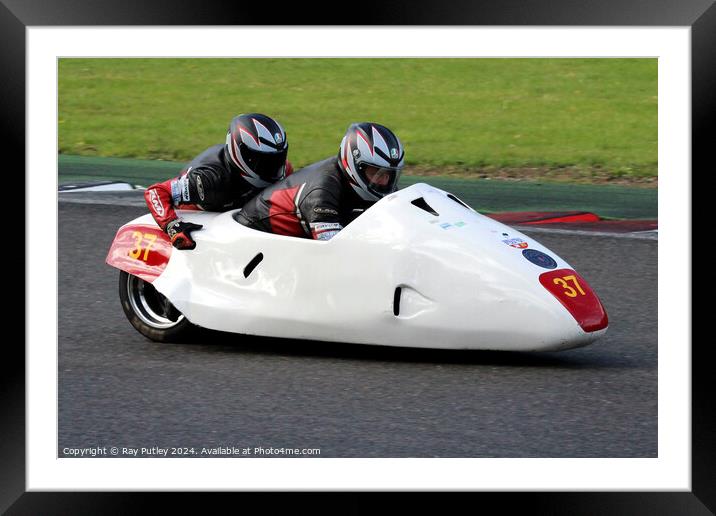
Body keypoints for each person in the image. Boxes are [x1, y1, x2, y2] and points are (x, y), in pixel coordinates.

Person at [144, 113, 293, 249]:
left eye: (277, 160)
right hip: (199, 225)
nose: (272, 169)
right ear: (240, 152)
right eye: (263, 161)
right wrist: (172, 224)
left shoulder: (284, 170)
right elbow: (156, 192)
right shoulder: (209, 179)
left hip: (236, 217)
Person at [236, 122, 404, 240]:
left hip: (298, 238)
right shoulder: (322, 191)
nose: (383, 181)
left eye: (389, 174)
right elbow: (333, 249)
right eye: (376, 173)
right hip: (256, 235)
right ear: (354, 165)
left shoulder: (379, 183)